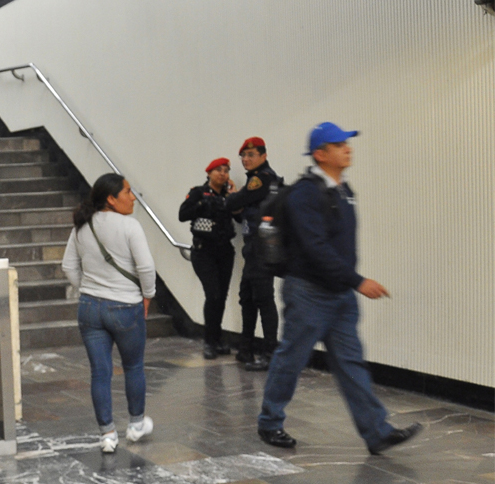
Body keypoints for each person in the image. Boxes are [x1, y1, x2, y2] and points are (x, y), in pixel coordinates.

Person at [257, 123, 422, 454]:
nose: (348, 148)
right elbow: (316, 249)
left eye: (347, 143)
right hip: (308, 293)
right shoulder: (305, 194)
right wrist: (358, 281)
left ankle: (376, 432)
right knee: (292, 358)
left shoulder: (344, 191)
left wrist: (349, 283)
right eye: (339, 144)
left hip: (340, 295)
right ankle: (269, 422)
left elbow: (339, 247)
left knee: (351, 362)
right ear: (320, 154)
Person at [61, 173, 157, 454]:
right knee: (133, 366)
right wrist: (147, 296)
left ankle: (108, 435)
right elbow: (146, 268)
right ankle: (136, 425)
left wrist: (89, 290)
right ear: (111, 199)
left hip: (90, 308)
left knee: (100, 373)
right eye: (127, 192)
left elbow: (68, 266)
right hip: (125, 307)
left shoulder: (82, 225)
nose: (132, 197)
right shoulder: (130, 226)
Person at [225, 136, 282, 371]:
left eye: (251, 155)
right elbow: (245, 213)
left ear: (263, 156)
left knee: (263, 300)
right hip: (253, 248)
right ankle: (245, 349)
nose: (246, 160)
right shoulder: (255, 183)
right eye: (243, 156)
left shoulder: (262, 179)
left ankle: (270, 353)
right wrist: (237, 203)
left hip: (262, 250)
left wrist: (231, 199)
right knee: (247, 298)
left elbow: (236, 202)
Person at [179, 158, 238, 359]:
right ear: (209, 173)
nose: (223, 174)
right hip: (203, 252)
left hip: (225, 252)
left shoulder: (227, 195)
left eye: (226, 170)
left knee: (221, 296)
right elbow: (183, 214)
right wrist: (203, 204)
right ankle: (209, 342)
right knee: (212, 294)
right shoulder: (198, 192)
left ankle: (217, 339)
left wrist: (235, 197)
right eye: (218, 170)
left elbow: (239, 217)